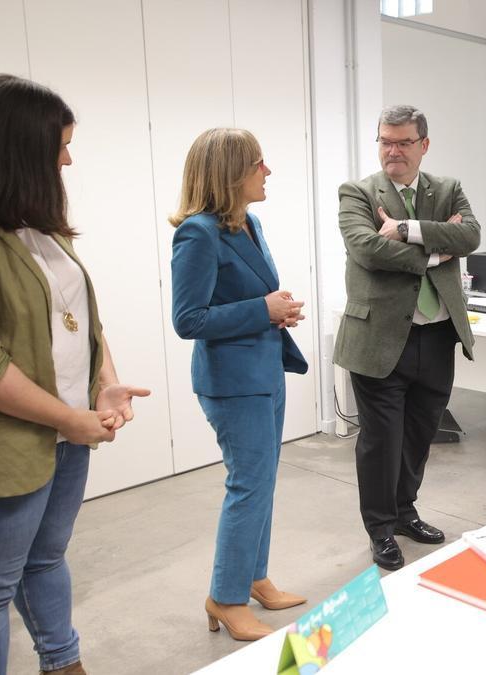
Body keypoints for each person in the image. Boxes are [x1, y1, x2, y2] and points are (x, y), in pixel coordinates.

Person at [0, 74, 150, 675]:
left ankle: (65, 665)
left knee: (46, 560)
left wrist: (104, 382)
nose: (67, 158)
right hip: (4, 444)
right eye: (58, 146)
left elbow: (82, 318)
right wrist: (71, 419)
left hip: (68, 433)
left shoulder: (35, 222)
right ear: (17, 149)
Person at [170, 128, 309, 641]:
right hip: (232, 383)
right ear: (231, 173)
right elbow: (188, 319)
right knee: (248, 486)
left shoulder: (247, 222)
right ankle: (225, 598)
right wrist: (261, 310)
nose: (267, 171)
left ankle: (254, 577)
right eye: (258, 163)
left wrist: (275, 313)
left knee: (263, 482)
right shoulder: (197, 233)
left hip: (265, 370)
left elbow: (248, 298)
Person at [335, 105, 480, 571]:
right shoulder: (356, 192)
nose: (392, 150)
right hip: (377, 339)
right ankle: (379, 528)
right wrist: (436, 255)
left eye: (402, 142)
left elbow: (471, 236)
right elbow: (366, 248)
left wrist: (405, 229)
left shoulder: (447, 190)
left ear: (423, 145)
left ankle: (404, 512)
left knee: (419, 434)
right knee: (381, 439)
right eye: (385, 141)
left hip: (435, 336)